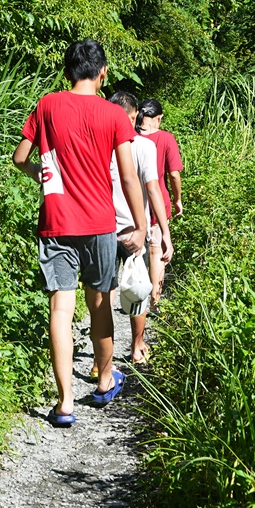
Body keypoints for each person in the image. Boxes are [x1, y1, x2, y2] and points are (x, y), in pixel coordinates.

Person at [12, 40, 147, 428]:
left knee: (61, 307)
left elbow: (22, 157)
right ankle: (105, 381)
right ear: (102, 73)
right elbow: (127, 176)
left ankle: (65, 401)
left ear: (66, 72)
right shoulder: (113, 115)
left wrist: (43, 175)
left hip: (57, 220)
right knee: (99, 302)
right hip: (100, 224)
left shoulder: (48, 105)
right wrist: (139, 226)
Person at [106, 91, 172, 365]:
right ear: (135, 116)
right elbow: (154, 191)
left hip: (103, 229)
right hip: (136, 230)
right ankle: (137, 346)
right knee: (138, 289)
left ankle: (101, 359)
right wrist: (164, 231)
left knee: (103, 296)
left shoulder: (100, 144)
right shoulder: (145, 146)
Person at [136, 98, 183, 305]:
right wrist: (177, 199)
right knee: (157, 251)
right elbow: (173, 174)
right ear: (158, 118)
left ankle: (133, 296)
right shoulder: (166, 138)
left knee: (135, 252)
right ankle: (155, 299)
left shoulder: (130, 136)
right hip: (158, 203)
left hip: (134, 201)